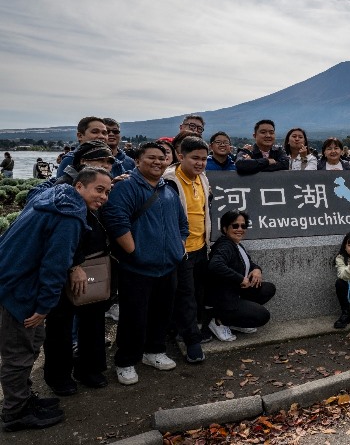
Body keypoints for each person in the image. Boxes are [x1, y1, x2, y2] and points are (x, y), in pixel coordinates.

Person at [0, 167, 112, 432]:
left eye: (108, 192)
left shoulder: (52, 196)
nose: (104, 197)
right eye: (99, 189)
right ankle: (15, 412)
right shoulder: (69, 216)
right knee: (19, 353)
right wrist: (44, 307)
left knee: (26, 347)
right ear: (79, 187)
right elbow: (55, 265)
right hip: (21, 289)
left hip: (11, 279)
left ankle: (24, 399)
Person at [102, 142, 189, 386]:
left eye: (162, 158)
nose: (157, 162)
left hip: (168, 265)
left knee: (162, 312)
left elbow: (183, 223)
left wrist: (177, 247)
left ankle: (154, 351)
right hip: (136, 267)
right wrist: (134, 251)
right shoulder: (126, 187)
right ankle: (126, 360)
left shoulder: (169, 189)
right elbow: (116, 219)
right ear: (138, 160)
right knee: (133, 316)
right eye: (151, 157)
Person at [162, 136, 211, 363]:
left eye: (203, 158)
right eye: (195, 158)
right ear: (180, 156)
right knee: (186, 296)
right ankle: (192, 341)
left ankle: (185, 330)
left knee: (198, 293)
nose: (200, 163)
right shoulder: (170, 181)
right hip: (180, 249)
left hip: (201, 245)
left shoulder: (203, 178)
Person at [206, 210, 276, 339]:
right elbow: (215, 265)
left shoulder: (237, 245)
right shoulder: (225, 246)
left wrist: (257, 269)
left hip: (235, 292)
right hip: (223, 298)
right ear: (225, 228)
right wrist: (240, 279)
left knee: (268, 288)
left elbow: (249, 263)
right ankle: (219, 321)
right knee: (262, 316)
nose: (240, 229)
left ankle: (234, 321)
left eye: (243, 226)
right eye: (235, 226)